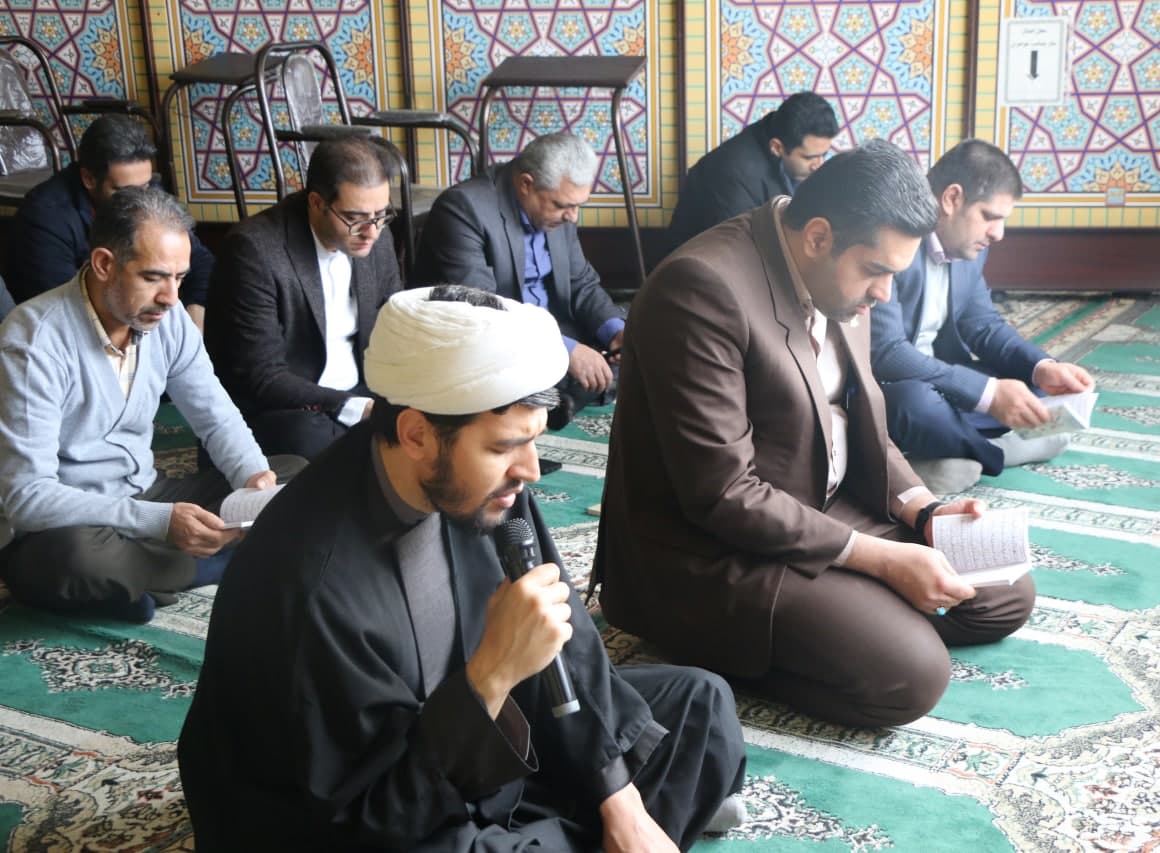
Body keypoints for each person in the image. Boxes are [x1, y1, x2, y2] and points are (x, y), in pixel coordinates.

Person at [179, 285, 747, 852]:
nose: (529, 469)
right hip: (358, 819)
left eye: (532, 442)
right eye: (504, 447)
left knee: (699, 704)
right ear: (417, 435)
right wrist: (492, 674)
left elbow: (565, 641)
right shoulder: (314, 585)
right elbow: (373, 821)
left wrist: (619, 798)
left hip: (468, 744)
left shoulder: (485, 487)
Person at [593, 140, 1037, 729]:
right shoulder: (700, 290)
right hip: (721, 551)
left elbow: (864, 417)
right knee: (912, 675)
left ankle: (849, 609)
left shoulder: (841, 277)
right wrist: (883, 562)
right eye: (876, 271)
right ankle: (719, 645)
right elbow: (723, 495)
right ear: (819, 237)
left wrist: (922, 510)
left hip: (824, 505)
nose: (884, 295)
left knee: (1005, 593)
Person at [0, 186, 300, 623]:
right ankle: (210, 564)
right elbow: (27, 496)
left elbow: (215, 414)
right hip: (68, 523)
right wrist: (160, 522)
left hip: (147, 495)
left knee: (294, 475)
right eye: (154, 277)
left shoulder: (168, 319)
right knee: (73, 558)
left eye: (179, 278)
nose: (171, 297)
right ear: (104, 264)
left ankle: (144, 582)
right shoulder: (35, 340)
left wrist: (253, 479)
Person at [870, 139, 1095, 494]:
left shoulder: (969, 247)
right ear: (951, 198)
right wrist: (988, 395)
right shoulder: (893, 237)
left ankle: (941, 455)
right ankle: (995, 453)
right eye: (990, 217)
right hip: (887, 385)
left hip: (940, 376)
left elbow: (983, 325)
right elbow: (888, 354)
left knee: (1033, 389)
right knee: (916, 404)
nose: (998, 234)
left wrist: (1042, 367)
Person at [204, 136, 402, 459]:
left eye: (381, 214)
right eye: (355, 218)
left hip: (360, 390)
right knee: (325, 445)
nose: (373, 232)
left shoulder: (374, 231)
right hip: (284, 406)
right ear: (317, 203)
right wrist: (356, 408)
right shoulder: (254, 251)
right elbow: (263, 377)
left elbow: (394, 321)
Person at [418, 132, 626, 429]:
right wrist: (564, 350)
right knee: (502, 370)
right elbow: (483, 311)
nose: (572, 216)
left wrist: (617, 333)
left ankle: (557, 395)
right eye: (562, 205)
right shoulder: (464, 209)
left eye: (578, 205)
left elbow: (582, 283)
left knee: (630, 346)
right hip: (493, 335)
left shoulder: (560, 208)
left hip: (553, 325)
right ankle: (559, 392)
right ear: (526, 184)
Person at [3, 114, 215, 330]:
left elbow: (201, 262)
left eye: (145, 186)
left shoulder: (147, 195)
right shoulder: (45, 219)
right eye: (124, 191)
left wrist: (194, 317)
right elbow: (67, 311)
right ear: (89, 179)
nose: (138, 200)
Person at [664, 91, 838, 255]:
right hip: (703, 266)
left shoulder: (776, 133)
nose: (819, 165)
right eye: (809, 157)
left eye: (824, 154)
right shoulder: (733, 176)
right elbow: (739, 252)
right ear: (777, 147)